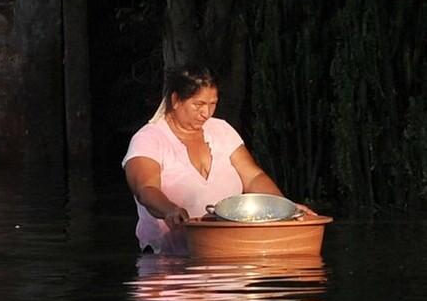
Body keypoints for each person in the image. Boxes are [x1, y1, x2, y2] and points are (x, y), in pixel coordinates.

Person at [122, 63, 313, 255]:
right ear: (176, 100)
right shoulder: (148, 139)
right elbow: (146, 189)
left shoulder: (222, 130)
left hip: (231, 252)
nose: (206, 113)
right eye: (198, 105)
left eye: (212, 104)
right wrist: (169, 210)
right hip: (168, 260)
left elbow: (253, 177)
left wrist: (283, 208)